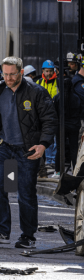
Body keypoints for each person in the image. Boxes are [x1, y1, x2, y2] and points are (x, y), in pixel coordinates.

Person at [0, 56, 57, 248]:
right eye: (5, 74)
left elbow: (50, 120)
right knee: (5, 188)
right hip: (6, 151)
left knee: (25, 193)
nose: (8, 78)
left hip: (27, 153)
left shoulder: (36, 92)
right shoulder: (1, 90)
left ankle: (28, 236)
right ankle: (3, 231)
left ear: (21, 72)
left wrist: (43, 145)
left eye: (12, 74)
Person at [36, 60, 59, 177]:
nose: (49, 73)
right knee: (47, 138)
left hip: (55, 114)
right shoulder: (39, 82)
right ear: (43, 71)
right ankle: (49, 161)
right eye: (47, 71)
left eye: (50, 71)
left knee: (55, 139)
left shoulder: (57, 82)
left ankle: (53, 161)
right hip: (43, 115)